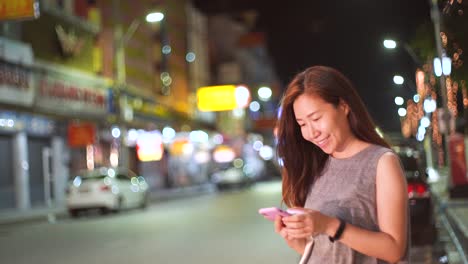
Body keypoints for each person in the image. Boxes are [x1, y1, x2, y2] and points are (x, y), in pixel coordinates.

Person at [273, 66, 409, 263]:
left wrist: (328, 225)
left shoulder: (381, 162)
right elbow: (327, 252)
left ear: (343, 106)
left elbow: (394, 249)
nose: (311, 133)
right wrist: (295, 239)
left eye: (316, 118)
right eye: (302, 124)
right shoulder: (317, 165)